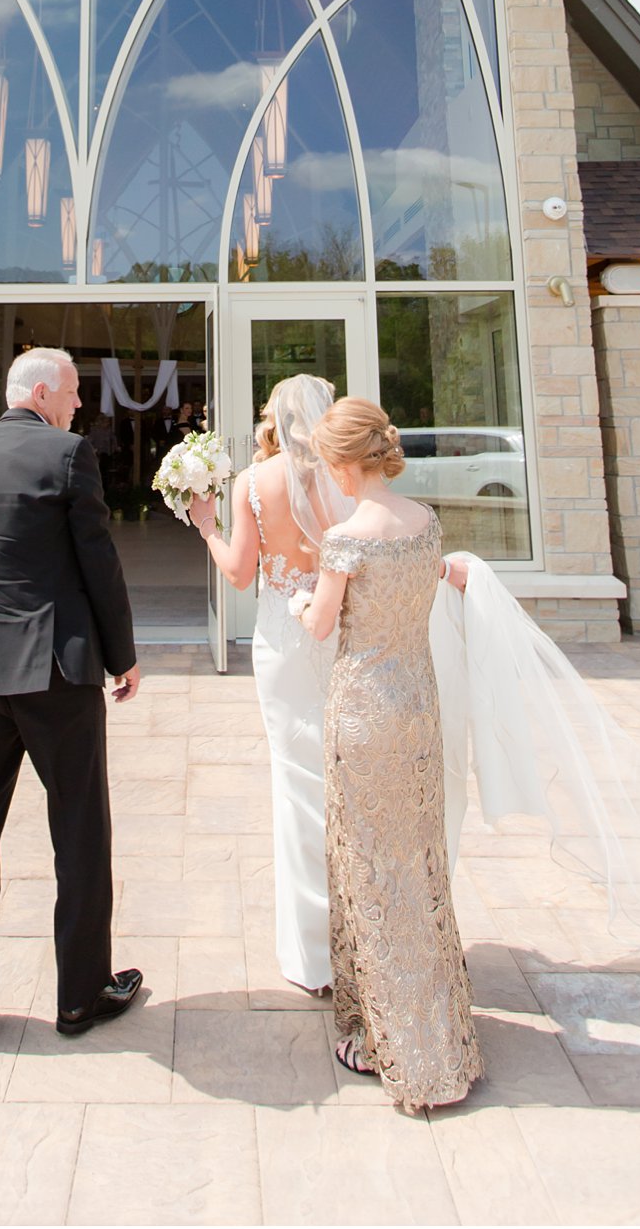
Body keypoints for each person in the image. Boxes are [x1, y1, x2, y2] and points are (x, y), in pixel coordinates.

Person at [0, 346, 144, 1054]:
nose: (78, 405)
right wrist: (123, 655)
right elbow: (97, 561)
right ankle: (80, 996)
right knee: (79, 831)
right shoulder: (68, 455)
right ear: (43, 391)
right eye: (73, 392)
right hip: (55, 675)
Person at [297, 396, 481, 1114]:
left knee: (370, 869)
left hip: (365, 713)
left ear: (347, 462)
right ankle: (440, 1028)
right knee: (418, 861)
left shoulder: (347, 537)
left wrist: (296, 605)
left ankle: (389, 1038)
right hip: (418, 706)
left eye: (327, 462)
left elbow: (319, 626)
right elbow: (431, 583)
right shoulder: (424, 522)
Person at [186, 373, 342, 992]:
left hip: (283, 644)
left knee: (297, 785)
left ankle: (311, 954)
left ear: (273, 418)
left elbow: (240, 575)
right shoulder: (346, 479)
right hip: (338, 637)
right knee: (343, 775)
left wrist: (206, 527)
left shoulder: (254, 483)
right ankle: (358, 931)